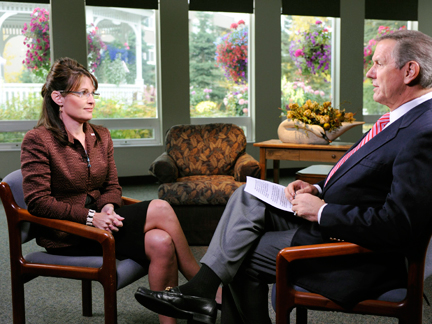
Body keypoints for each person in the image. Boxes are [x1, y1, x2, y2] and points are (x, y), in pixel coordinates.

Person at [134, 29, 432, 324]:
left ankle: (202, 292)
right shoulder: (401, 119)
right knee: (247, 194)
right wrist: (317, 189)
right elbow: (369, 183)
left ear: (409, 71)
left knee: (239, 254)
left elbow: (401, 226)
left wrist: (324, 212)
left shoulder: (423, 132)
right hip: (328, 225)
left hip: (357, 255)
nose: (369, 73)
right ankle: (201, 291)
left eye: (378, 63)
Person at [20, 57, 216, 324]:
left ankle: (172, 317)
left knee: (161, 242)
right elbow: (38, 202)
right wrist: (91, 217)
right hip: (68, 234)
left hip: (103, 223)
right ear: (58, 97)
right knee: (160, 207)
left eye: (93, 93)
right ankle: (201, 284)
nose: (91, 100)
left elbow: (112, 186)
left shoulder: (100, 135)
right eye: (82, 92)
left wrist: (108, 206)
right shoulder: (38, 140)